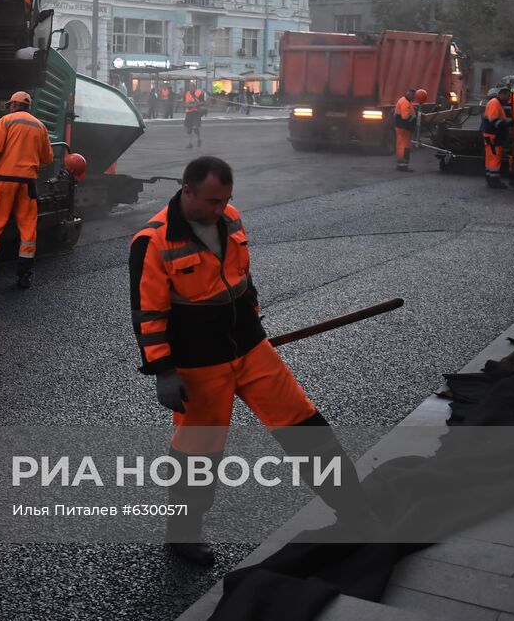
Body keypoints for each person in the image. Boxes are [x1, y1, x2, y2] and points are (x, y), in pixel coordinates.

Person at [129, 157, 372, 565]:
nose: (219, 209)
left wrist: (252, 319)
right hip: (199, 365)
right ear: (186, 190)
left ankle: (355, 511)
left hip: (251, 349)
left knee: (306, 426)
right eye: (211, 201)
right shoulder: (153, 241)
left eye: (225, 200)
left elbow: (243, 279)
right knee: (198, 453)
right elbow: (148, 314)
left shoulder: (232, 218)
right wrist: (163, 370)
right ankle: (183, 533)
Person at [0, 90, 54, 290]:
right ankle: (24, 276)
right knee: (28, 229)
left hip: (4, 181)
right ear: (28, 107)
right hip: (27, 184)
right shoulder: (40, 126)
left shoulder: (6, 121)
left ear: (13, 105)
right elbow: (48, 158)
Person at [481, 87, 513, 190]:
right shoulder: (495, 103)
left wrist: (506, 121)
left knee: (490, 157)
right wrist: (506, 124)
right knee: (495, 158)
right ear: (502, 94)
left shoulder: (496, 103)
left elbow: (497, 118)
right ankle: (494, 181)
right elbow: (494, 120)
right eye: (508, 96)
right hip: (493, 136)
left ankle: (490, 179)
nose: (509, 98)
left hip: (490, 135)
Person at [393, 88, 426, 171]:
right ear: (410, 95)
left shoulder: (404, 101)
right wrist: (414, 117)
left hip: (402, 128)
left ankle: (401, 165)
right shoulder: (405, 103)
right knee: (404, 147)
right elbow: (405, 117)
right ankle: (403, 166)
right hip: (403, 128)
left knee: (402, 146)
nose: (414, 98)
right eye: (414, 96)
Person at [183, 82, 206, 149]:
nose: (191, 88)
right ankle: (190, 143)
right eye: (190, 86)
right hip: (188, 112)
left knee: (195, 127)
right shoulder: (187, 93)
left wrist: (196, 104)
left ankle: (199, 139)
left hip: (196, 112)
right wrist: (187, 105)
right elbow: (184, 103)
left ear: (195, 87)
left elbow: (203, 102)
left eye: (192, 86)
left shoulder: (198, 93)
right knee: (189, 129)